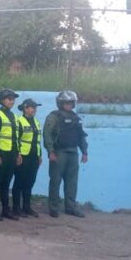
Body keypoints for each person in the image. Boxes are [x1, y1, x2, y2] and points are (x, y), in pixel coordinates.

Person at [43, 90, 89, 218]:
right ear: (60, 103)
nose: (69, 105)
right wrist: (50, 151)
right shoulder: (54, 116)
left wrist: (84, 152)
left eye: (71, 103)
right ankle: (53, 208)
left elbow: (81, 136)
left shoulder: (76, 118)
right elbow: (47, 135)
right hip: (59, 152)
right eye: (66, 103)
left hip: (73, 153)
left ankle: (70, 207)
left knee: (72, 182)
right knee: (55, 181)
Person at [0, 88, 22, 220]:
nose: (11, 101)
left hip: (12, 154)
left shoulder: (14, 116)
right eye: (9, 99)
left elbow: (16, 137)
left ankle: (6, 210)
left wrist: (18, 153)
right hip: (1, 154)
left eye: (13, 99)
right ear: (2, 100)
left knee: (6, 183)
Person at [12, 98, 43, 218]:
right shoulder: (19, 121)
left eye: (35, 107)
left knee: (30, 182)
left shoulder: (36, 122)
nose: (35, 109)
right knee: (19, 182)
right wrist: (18, 154)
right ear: (25, 108)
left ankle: (26, 206)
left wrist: (39, 155)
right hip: (23, 156)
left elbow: (37, 141)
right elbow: (15, 139)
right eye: (32, 107)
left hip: (34, 156)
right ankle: (16, 207)